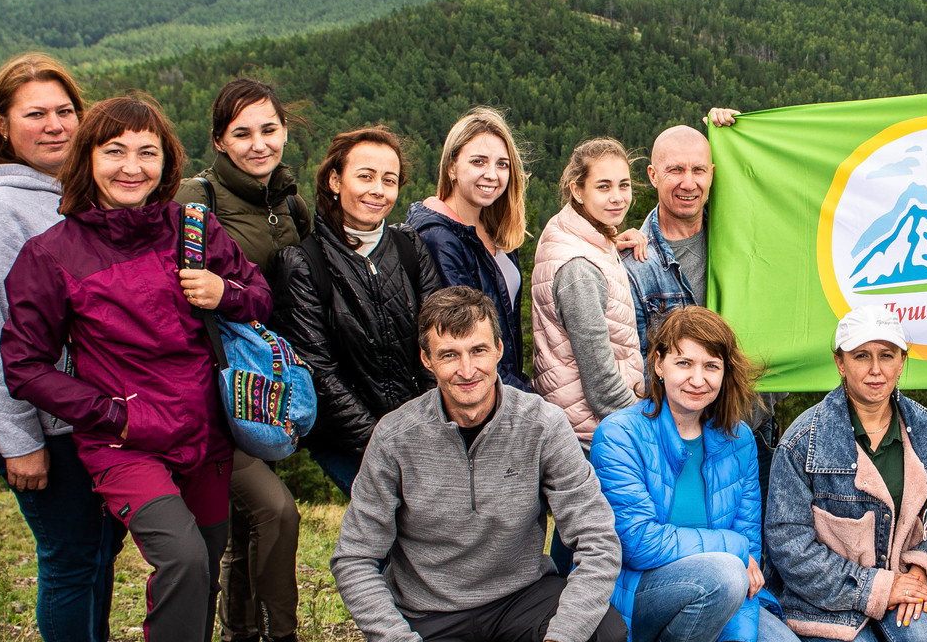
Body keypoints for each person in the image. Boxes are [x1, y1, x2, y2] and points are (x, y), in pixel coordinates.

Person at [2, 93, 272, 642]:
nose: (131, 166)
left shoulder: (192, 228)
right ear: (88, 159)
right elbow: (25, 364)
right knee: (178, 556)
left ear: (167, 161)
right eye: (114, 150)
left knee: (203, 564)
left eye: (146, 152)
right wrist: (109, 412)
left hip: (204, 432)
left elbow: (259, 296)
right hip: (124, 441)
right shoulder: (52, 253)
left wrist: (225, 292)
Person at [331, 285, 630, 642]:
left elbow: (597, 539)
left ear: (500, 350)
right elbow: (353, 558)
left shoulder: (543, 424)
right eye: (448, 355)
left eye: (478, 350)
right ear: (427, 360)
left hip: (520, 598)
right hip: (430, 611)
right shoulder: (394, 436)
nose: (467, 370)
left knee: (604, 633)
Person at [0, 53, 133, 642]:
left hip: (90, 418)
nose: (54, 125)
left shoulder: (78, 193)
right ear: (2, 123)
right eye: (35, 113)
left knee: (98, 547)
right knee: (69, 553)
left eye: (64, 110)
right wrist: (18, 435)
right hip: (41, 426)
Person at [588, 307, 817, 642]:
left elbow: (751, 549)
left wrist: (733, 639)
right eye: (684, 363)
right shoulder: (619, 434)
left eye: (711, 365)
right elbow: (638, 541)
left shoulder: (739, 439)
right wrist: (729, 547)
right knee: (727, 571)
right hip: (637, 600)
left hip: (722, 593)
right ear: (658, 364)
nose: (698, 379)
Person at [178, 79, 312, 642]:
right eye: (242, 134)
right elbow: (183, 294)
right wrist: (227, 295)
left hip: (263, 387)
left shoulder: (287, 201)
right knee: (275, 511)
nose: (258, 144)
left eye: (269, 130)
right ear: (218, 142)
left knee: (242, 526)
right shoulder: (196, 201)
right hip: (206, 393)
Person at [764, 307, 927, 642]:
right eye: (860, 356)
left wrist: (921, 572)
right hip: (826, 597)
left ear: (903, 361)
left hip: (901, 584)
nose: (875, 370)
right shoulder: (803, 443)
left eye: (887, 355)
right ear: (840, 362)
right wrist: (878, 587)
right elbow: (788, 543)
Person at [270, 126, 443, 496]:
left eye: (389, 180)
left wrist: (427, 428)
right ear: (335, 180)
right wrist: (385, 445)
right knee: (399, 529)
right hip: (346, 440)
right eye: (365, 176)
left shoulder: (409, 247)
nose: (378, 190)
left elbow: (439, 342)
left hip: (422, 430)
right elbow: (319, 372)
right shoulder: (303, 263)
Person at [409, 107, 537, 396]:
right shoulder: (439, 238)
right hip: (478, 393)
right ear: (452, 167)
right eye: (478, 162)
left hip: (504, 385)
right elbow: (465, 337)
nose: (492, 174)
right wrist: (526, 399)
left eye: (502, 165)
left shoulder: (493, 230)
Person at [532, 137, 649, 442]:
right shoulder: (580, 270)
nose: (617, 197)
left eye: (624, 185)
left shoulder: (568, 230)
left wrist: (610, 242)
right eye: (603, 187)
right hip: (592, 435)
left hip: (579, 424)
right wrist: (646, 433)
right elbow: (602, 387)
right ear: (577, 190)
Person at [631, 123, 715, 340]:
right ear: (653, 175)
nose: (688, 184)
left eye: (698, 170)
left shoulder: (737, 234)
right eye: (675, 170)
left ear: (711, 174)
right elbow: (636, 358)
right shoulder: (634, 265)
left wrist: (741, 130)